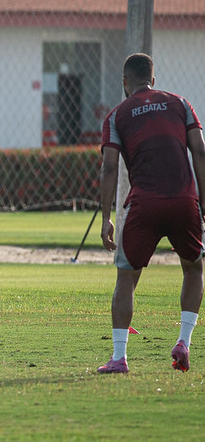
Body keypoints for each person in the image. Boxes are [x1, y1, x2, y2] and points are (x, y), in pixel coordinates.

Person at [97, 53, 205, 374]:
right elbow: (199, 150)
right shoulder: (180, 104)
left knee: (126, 278)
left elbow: (109, 168)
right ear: (153, 80)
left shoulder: (117, 116)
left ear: (124, 83)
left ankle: (119, 357)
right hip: (184, 200)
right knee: (194, 269)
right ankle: (183, 341)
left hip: (144, 203)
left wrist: (106, 217)